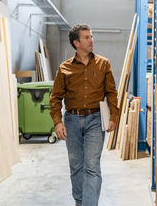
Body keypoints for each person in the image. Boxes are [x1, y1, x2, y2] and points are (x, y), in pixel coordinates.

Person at [49, 24, 118, 206]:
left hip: (95, 119)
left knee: (92, 167)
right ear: (76, 43)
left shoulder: (104, 64)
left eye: (91, 37)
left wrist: (113, 117)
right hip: (71, 120)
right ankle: (81, 202)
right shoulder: (64, 68)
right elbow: (55, 97)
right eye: (86, 37)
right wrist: (57, 122)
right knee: (76, 167)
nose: (91, 40)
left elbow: (111, 92)